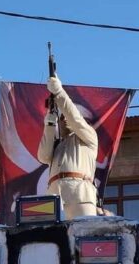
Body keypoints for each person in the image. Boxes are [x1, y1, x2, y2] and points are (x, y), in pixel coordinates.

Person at [37, 76, 98, 220]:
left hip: (80, 194)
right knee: (54, 239)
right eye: (61, 118)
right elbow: (43, 156)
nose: (63, 120)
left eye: (65, 117)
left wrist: (58, 92)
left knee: (83, 234)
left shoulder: (88, 136)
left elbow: (74, 118)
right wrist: (50, 123)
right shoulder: (58, 145)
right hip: (55, 195)